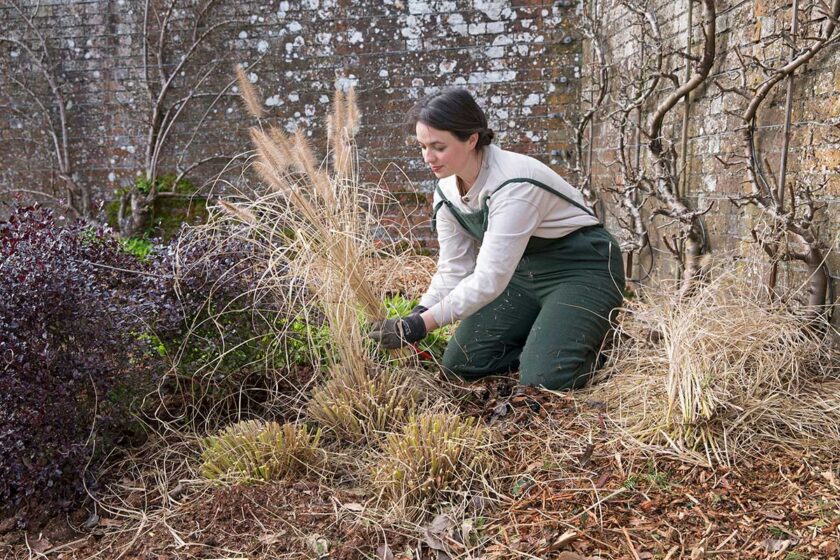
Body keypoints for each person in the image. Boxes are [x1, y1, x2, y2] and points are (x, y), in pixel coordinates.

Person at [369, 89, 624, 391]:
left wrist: (419, 328)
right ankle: (546, 335)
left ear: (471, 139)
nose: (428, 158)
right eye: (422, 146)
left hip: (582, 270)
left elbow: (489, 278)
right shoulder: (447, 192)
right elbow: (454, 268)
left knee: (543, 380)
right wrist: (419, 313)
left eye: (438, 146)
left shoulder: (514, 183)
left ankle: (573, 343)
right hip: (521, 275)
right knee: (461, 363)